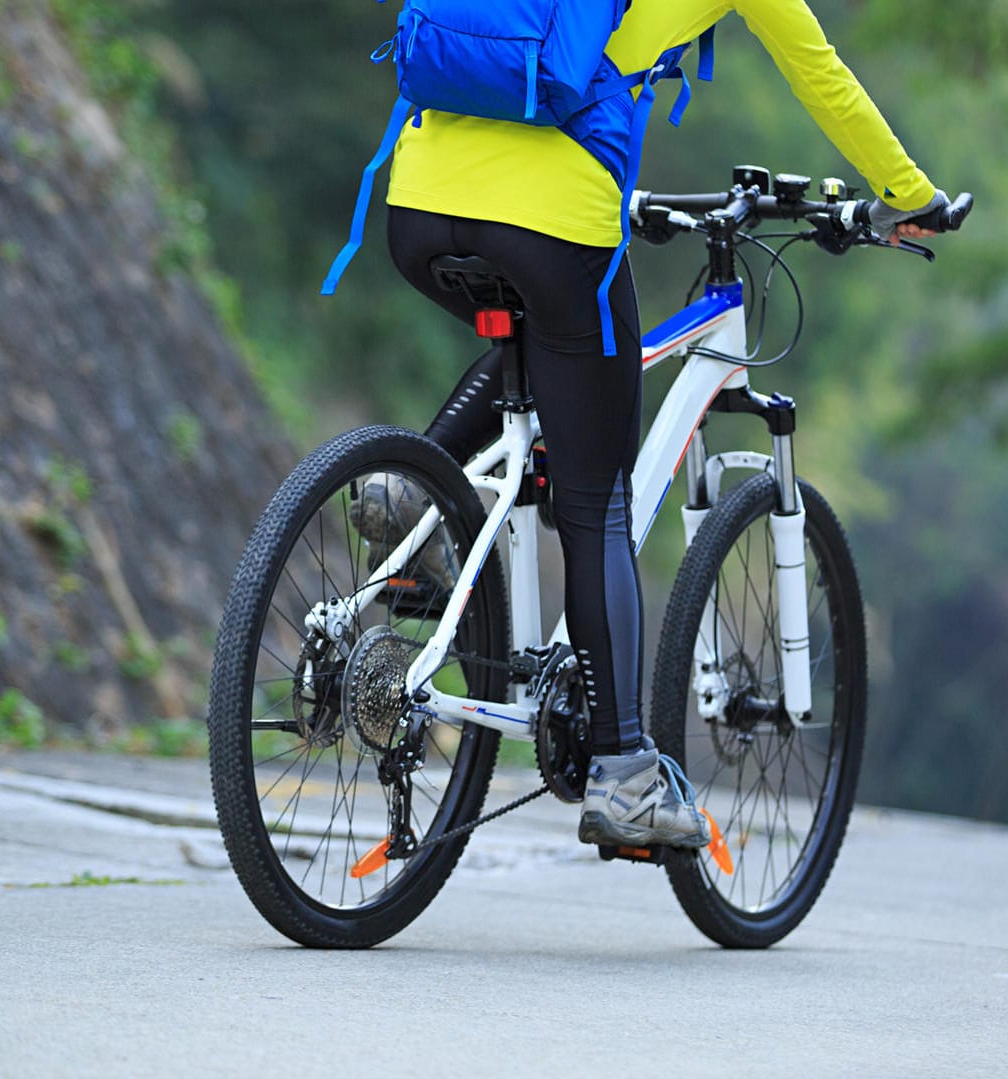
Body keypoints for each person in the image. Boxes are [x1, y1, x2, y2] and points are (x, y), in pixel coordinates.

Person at [368, 0, 949, 850]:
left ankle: (409, 491)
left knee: (543, 334)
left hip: (415, 201)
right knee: (596, 500)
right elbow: (821, 74)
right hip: (551, 216)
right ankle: (624, 770)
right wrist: (908, 196)